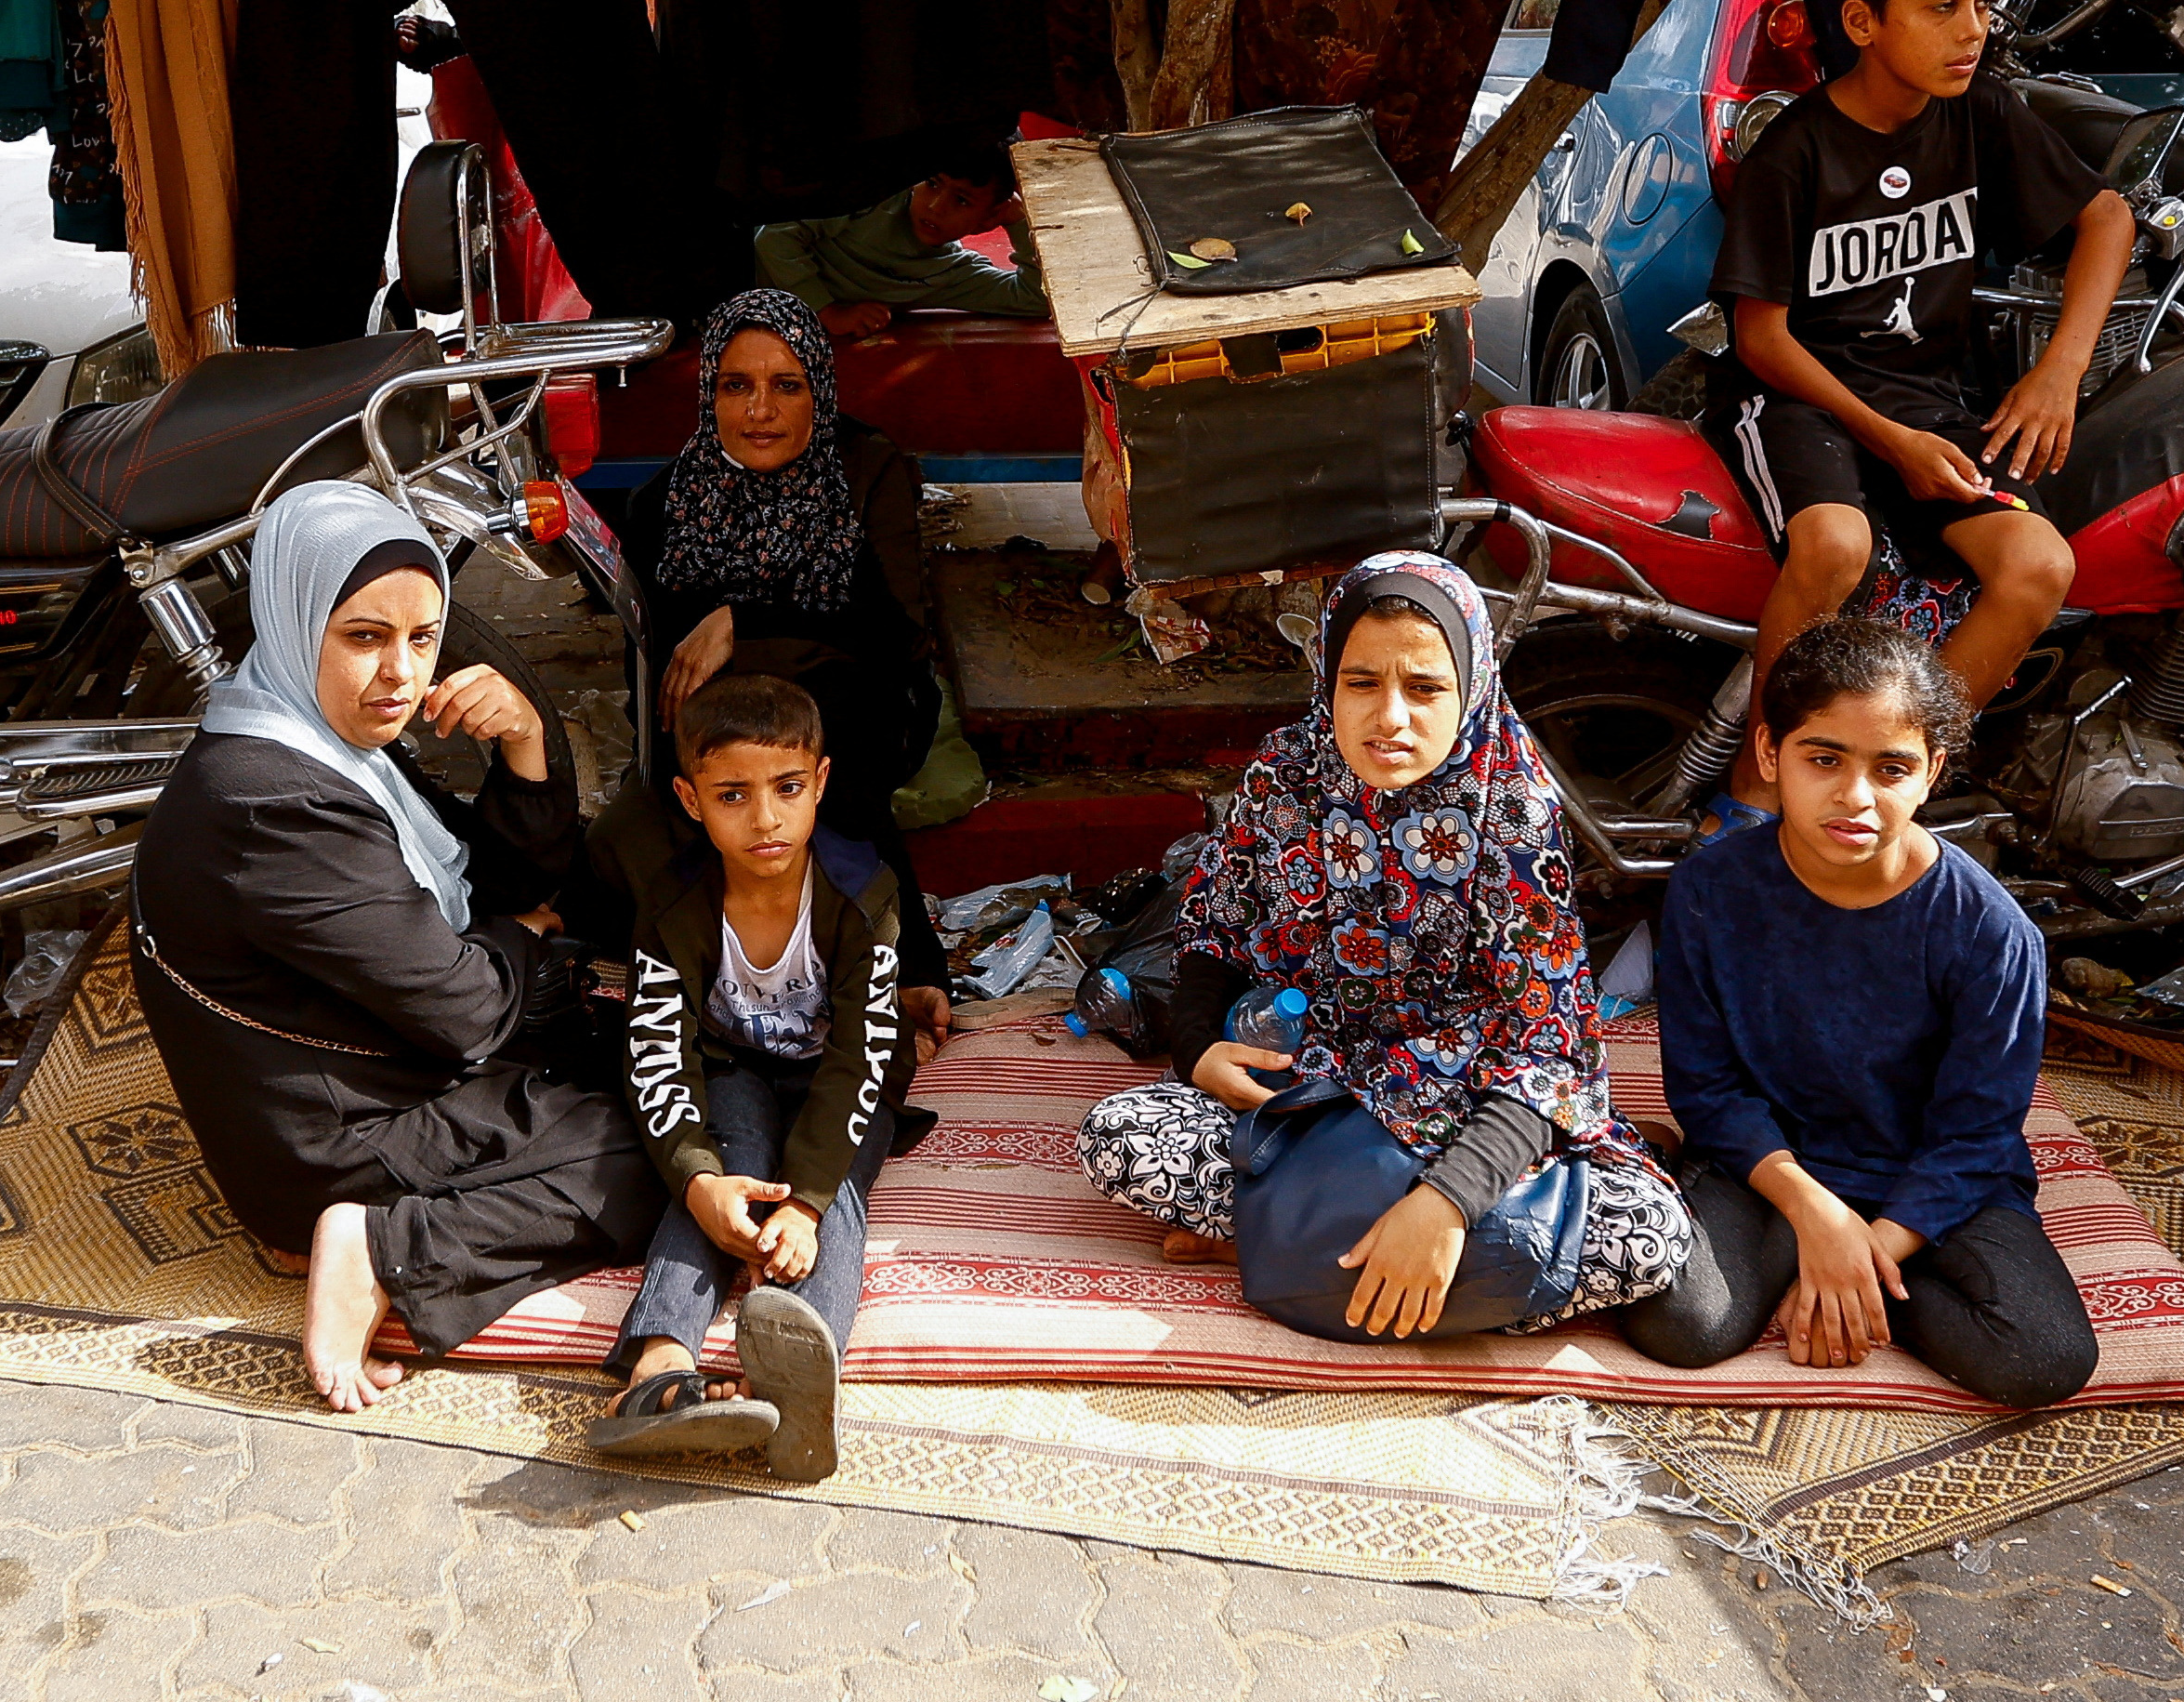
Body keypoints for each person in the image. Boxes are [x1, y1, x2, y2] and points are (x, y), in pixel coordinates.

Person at [125, 481, 665, 1413]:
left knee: (652, 1050)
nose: (400, 675)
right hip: (334, 1138)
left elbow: (488, 893)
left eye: (421, 639)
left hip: (373, 1067)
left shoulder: (323, 742)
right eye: (365, 636)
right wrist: (527, 945)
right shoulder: (272, 800)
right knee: (657, 1145)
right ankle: (380, 1249)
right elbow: (464, 1008)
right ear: (297, 619)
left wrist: (526, 747)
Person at [1073, 553, 1694, 1336]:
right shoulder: (1285, 772)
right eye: (1361, 682)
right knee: (1121, 1139)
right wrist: (1197, 1047)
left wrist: (1446, 1204)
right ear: (1327, 678)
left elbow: (1547, 1050)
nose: (1390, 717)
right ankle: (1386, 1260)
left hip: (1471, 1101)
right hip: (1309, 1088)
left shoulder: (1513, 808)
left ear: (1469, 685)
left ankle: (1295, 1243)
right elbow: (1213, 923)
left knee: (1648, 1238)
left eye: (1425, 686)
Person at [1707, 0, 2136, 818]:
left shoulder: (1980, 114)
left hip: (1929, 398)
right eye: (1940, 8)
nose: (1969, 31)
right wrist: (1890, 443)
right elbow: (1760, 337)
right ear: (1862, 21)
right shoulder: (1794, 151)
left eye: (1979, 5)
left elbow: (2106, 217)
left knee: (2037, 567)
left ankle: (1891, 780)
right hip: (1799, 397)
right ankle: (1751, 793)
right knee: (1832, 545)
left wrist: (2056, 371)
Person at [1621, 617, 2098, 1409]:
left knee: (2042, 1357)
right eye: (1823, 758)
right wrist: (1815, 1213)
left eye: (1892, 767)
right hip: (1773, 1167)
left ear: (1931, 772)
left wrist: (1869, 1247)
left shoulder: (1990, 932)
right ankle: (1822, 1258)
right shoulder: (1711, 888)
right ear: (1770, 752)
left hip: (1929, 1183)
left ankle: (1854, 1282)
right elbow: (1706, 1089)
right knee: (1684, 1324)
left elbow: (1976, 1133)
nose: (1855, 796)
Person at [588, 674, 910, 1483]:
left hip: (841, 1082)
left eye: (787, 788)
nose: (765, 817)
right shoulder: (673, 902)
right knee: (727, 1171)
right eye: (732, 793)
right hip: (731, 1066)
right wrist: (698, 1181)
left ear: (820, 784)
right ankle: (658, 1365)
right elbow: (658, 1050)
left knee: (830, 1199)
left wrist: (802, 1200)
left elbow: (861, 1056)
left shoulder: (860, 894)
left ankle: (801, 1374)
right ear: (691, 800)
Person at [624, 287, 953, 986]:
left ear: (819, 390)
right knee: (734, 752)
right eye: (735, 385)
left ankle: (910, 967)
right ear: (708, 393)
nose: (760, 411)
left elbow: (895, 635)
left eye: (786, 385)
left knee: (817, 733)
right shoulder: (662, 504)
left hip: (870, 696)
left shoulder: (867, 470)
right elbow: (666, 674)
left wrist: (745, 621)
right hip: (732, 714)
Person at [753, 143, 1048, 340]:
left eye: (961, 200)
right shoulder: (872, 201)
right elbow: (772, 236)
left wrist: (1020, 222)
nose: (935, 207)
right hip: (728, 276)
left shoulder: (950, 274)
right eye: (932, 184)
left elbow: (1036, 299)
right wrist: (827, 312)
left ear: (988, 218)